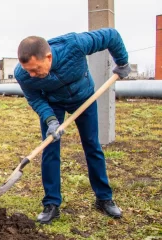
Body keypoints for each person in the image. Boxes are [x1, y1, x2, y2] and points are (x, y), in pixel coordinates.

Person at [14, 28, 131, 224]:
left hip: (84, 97)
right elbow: (35, 98)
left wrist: (122, 62)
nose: (32, 75)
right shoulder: (22, 74)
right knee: (50, 149)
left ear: (48, 57)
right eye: (28, 71)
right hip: (53, 103)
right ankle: (51, 203)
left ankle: (104, 198)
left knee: (92, 146)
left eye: (35, 69)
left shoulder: (75, 45)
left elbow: (111, 36)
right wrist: (50, 120)